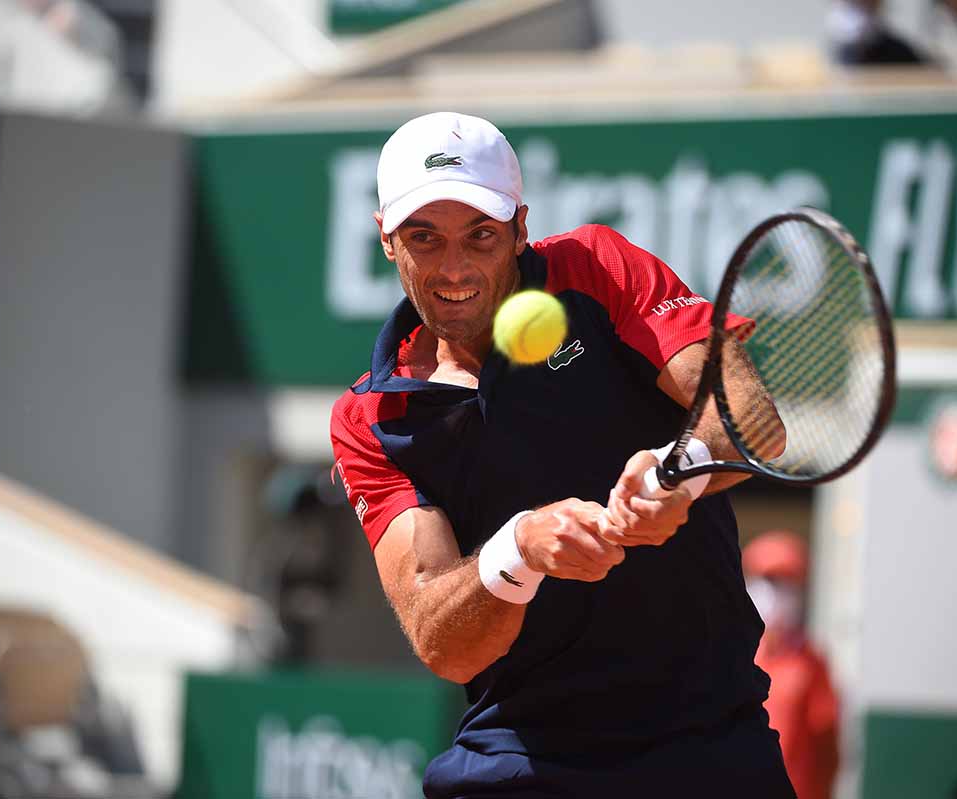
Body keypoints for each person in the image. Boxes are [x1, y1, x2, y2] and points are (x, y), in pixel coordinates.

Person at [330, 111, 792, 798]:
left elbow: (750, 417)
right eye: (424, 238)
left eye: (480, 235)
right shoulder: (369, 416)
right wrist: (519, 550)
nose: (453, 267)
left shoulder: (597, 268)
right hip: (520, 760)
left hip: (707, 739)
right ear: (387, 240)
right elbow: (443, 641)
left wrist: (680, 471)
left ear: (520, 227)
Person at [744, 530, 840, 799]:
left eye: (786, 583)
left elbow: (827, 745)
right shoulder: (738, 655)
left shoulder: (811, 662)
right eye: (768, 581)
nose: (775, 594)